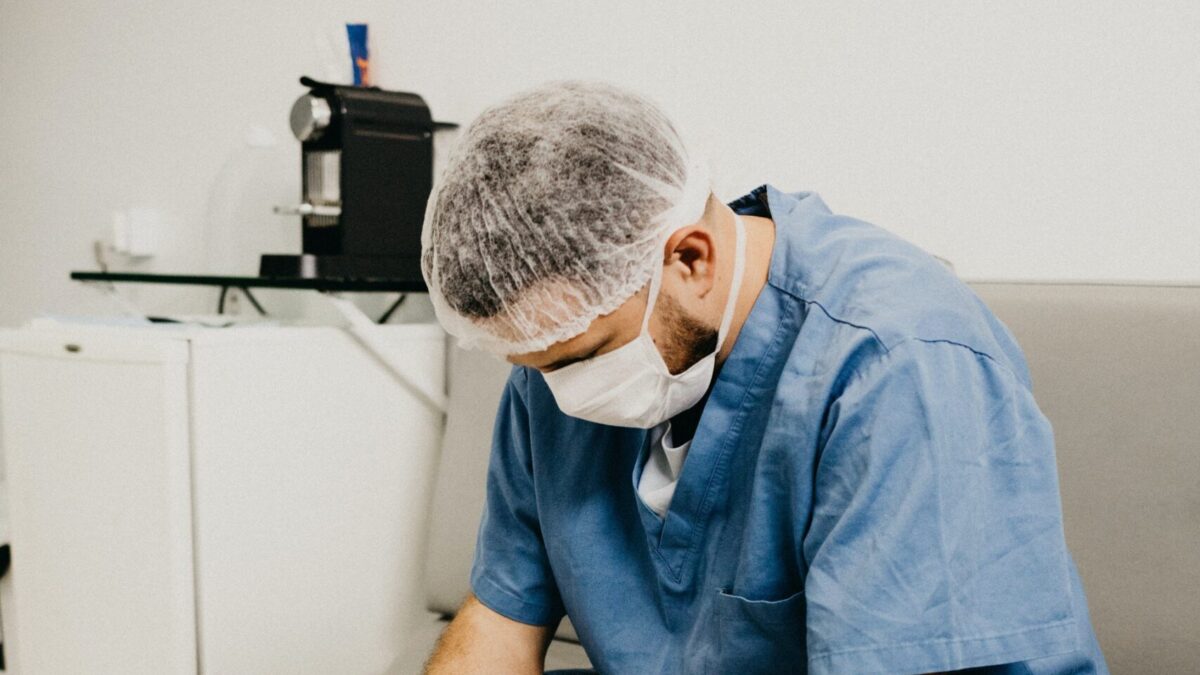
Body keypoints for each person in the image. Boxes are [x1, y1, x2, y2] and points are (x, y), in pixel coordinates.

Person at [419, 80, 1107, 674]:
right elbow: (500, 619)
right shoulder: (559, 360)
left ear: (691, 259)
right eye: (538, 367)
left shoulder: (896, 366)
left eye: (582, 358)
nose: (564, 392)